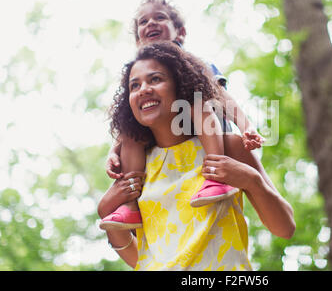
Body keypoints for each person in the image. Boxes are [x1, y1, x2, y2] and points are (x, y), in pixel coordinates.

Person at [97, 42, 295, 270]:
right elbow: (142, 259)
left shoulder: (226, 147)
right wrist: (105, 211)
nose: (143, 89)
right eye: (134, 85)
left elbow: (285, 228)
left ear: (180, 87)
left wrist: (252, 180)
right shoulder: (135, 167)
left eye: (155, 79)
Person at [99, 0, 264, 230]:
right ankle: (131, 204)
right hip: (162, 132)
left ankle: (214, 176)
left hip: (203, 126)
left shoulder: (193, 63)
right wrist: (114, 151)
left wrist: (246, 126)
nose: (150, 24)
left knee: (198, 98)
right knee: (130, 129)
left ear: (180, 33)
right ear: (138, 41)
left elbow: (221, 96)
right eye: (143, 22)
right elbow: (128, 120)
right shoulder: (139, 75)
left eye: (159, 17)